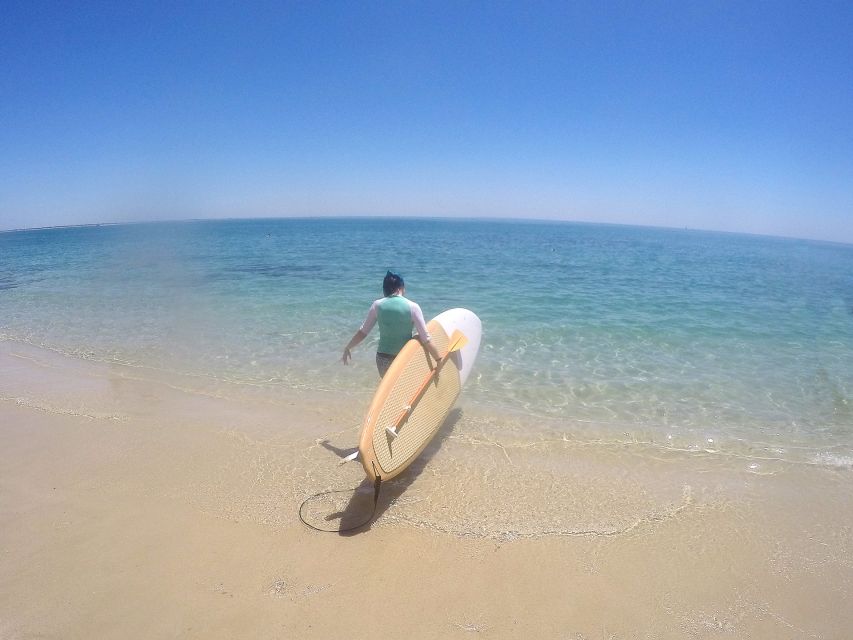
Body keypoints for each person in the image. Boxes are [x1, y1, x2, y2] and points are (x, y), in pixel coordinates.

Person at [342, 271, 442, 377]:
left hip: (382, 359)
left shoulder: (377, 305)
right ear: (401, 288)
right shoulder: (413, 307)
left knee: (389, 390)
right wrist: (438, 359)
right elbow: (426, 338)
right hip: (403, 358)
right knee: (404, 389)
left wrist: (348, 347)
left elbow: (363, 332)